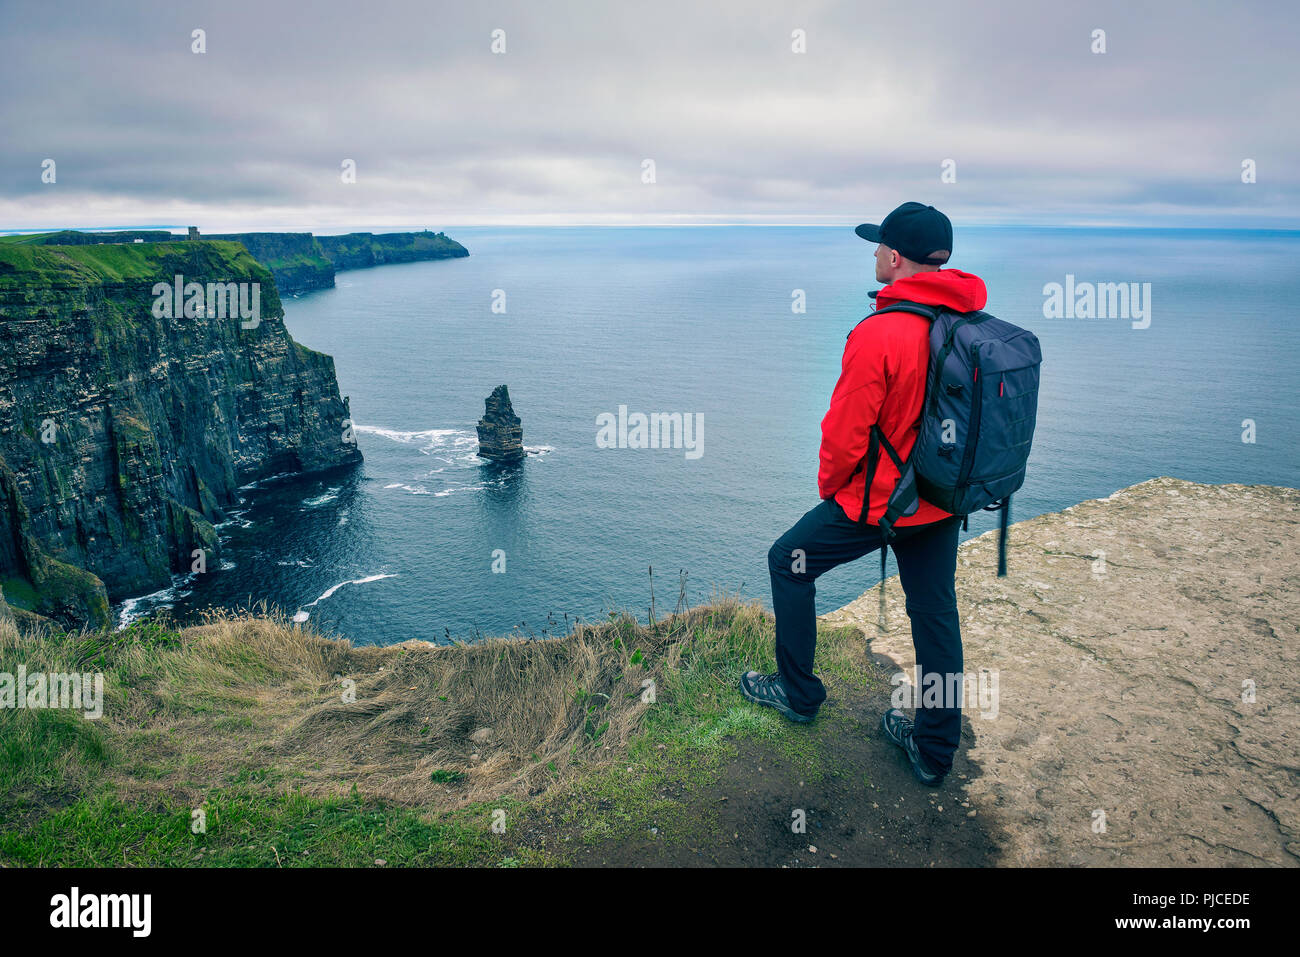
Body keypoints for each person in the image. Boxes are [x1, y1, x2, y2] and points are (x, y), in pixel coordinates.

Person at [739, 202, 986, 787]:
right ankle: (933, 751)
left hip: (879, 502)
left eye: (879, 245)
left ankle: (798, 695)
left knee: (789, 561)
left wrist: (834, 489)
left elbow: (845, 431)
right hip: (943, 498)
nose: (874, 253)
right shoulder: (970, 327)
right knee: (934, 616)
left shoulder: (881, 332)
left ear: (896, 257)